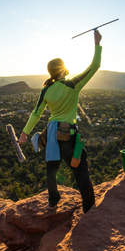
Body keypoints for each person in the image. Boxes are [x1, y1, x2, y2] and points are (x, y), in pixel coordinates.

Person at [18, 30, 102, 213]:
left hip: (51, 136)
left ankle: (53, 201)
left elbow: (36, 113)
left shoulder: (45, 89)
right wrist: (97, 43)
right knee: (80, 172)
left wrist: (24, 134)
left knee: (51, 171)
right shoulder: (73, 85)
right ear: (63, 70)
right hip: (69, 135)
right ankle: (89, 208)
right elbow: (94, 66)